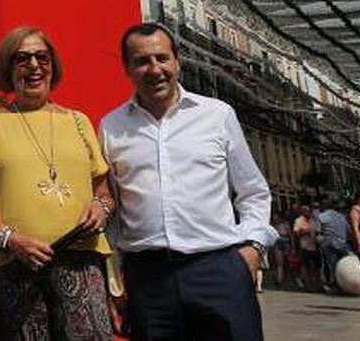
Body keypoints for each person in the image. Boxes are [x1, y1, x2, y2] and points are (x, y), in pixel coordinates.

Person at [98, 22, 275, 341]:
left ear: (177, 61)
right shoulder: (111, 127)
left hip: (219, 270)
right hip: (148, 280)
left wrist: (252, 249)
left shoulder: (217, 115)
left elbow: (253, 192)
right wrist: (114, 280)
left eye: (162, 58)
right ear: (127, 68)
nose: (155, 69)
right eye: (141, 61)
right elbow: (114, 211)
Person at [0, 26, 114, 341]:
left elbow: (104, 193)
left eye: (42, 57)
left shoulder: (78, 121)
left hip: (81, 261)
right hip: (15, 265)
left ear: (53, 65)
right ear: (8, 67)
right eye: (23, 58)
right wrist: (13, 241)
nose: (34, 65)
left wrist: (100, 208)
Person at [315, 198, 350, 291]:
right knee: (343, 265)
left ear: (323, 206)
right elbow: (348, 231)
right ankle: (344, 284)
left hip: (329, 244)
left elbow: (318, 232)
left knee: (330, 265)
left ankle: (334, 284)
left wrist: (319, 242)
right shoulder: (342, 216)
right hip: (343, 244)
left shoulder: (321, 216)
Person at [292, 204, 320, 291]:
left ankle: (317, 285)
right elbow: (296, 233)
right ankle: (307, 285)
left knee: (317, 267)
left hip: (315, 246)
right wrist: (305, 232)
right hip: (304, 246)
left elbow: (319, 231)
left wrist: (316, 233)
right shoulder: (298, 221)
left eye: (308, 210)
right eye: (305, 210)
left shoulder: (314, 220)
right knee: (306, 266)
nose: (307, 212)